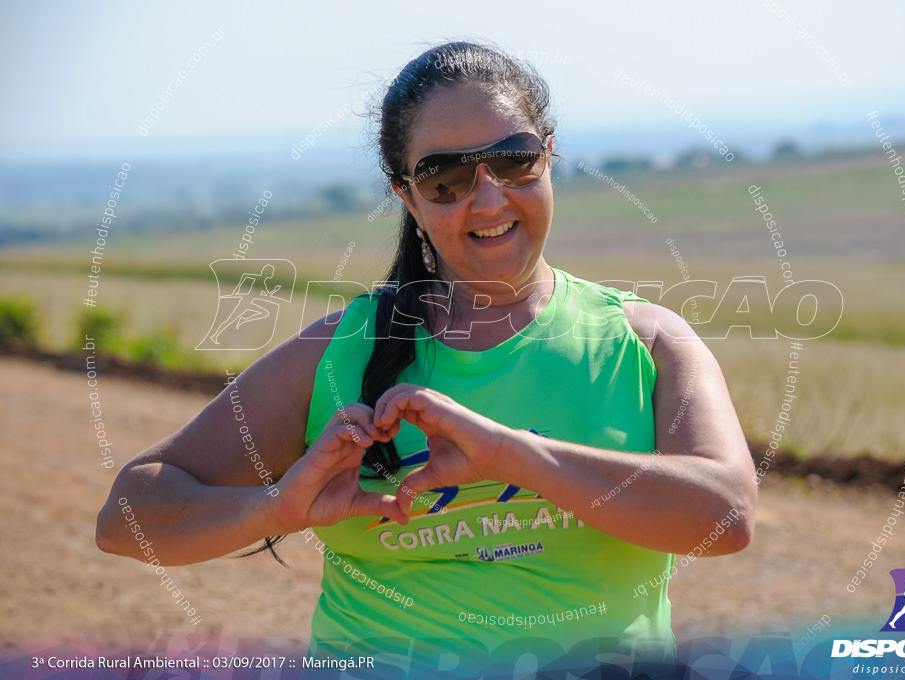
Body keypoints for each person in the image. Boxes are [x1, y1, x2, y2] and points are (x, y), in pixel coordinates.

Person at [96, 41, 757, 677]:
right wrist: (276, 506)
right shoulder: (334, 357)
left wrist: (508, 456)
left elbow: (726, 515)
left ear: (550, 154)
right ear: (407, 195)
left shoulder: (645, 343)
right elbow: (126, 517)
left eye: (515, 159)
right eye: (447, 178)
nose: (490, 198)